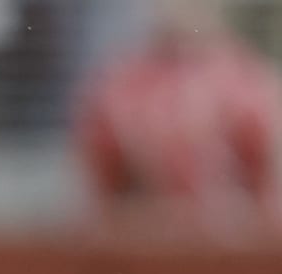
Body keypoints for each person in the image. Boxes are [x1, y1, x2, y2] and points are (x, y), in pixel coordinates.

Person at [72, 0, 282, 239]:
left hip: (229, 243)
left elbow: (266, 194)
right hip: (146, 245)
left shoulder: (245, 81)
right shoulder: (116, 87)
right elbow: (103, 202)